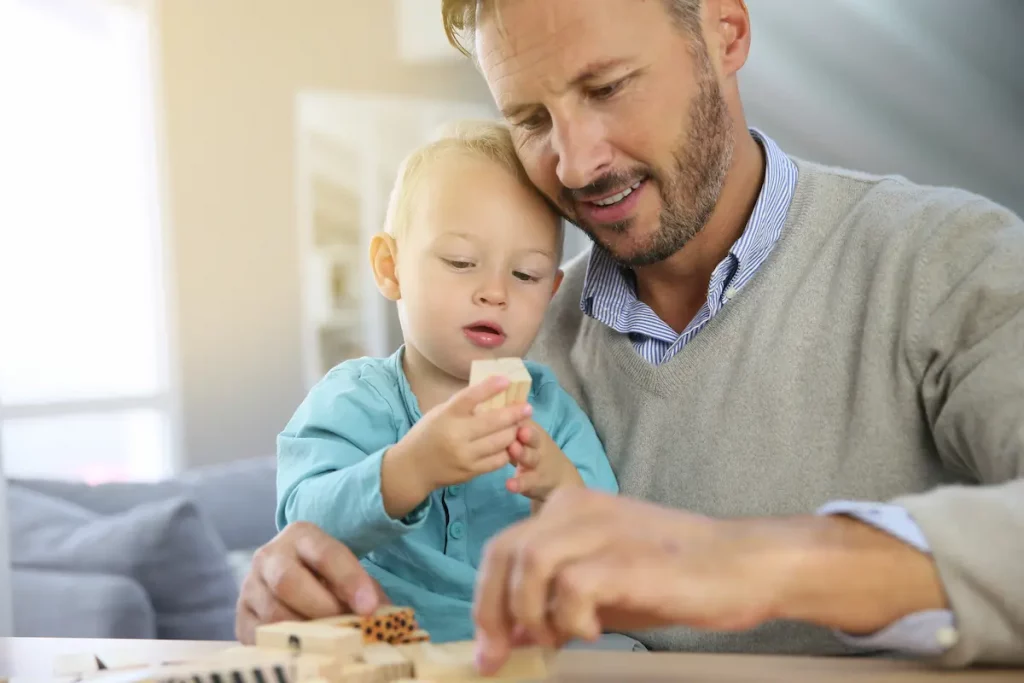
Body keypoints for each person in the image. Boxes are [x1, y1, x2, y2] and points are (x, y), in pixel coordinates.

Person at [237, 0, 1024, 672]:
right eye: (531, 119)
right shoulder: (502, 353)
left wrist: (750, 561)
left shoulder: (948, 265)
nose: (576, 164)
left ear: (726, 31)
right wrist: (289, 590)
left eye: (608, 87)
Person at [273, 120, 618, 643]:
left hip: (527, 643)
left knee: (618, 651)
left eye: (525, 275)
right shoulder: (353, 399)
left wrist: (560, 487)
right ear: (390, 268)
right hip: (392, 639)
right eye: (461, 262)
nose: (495, 293)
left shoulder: (551, 411)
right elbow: (302, 521)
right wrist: (409, 469)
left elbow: (611, 547)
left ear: (551, 293)